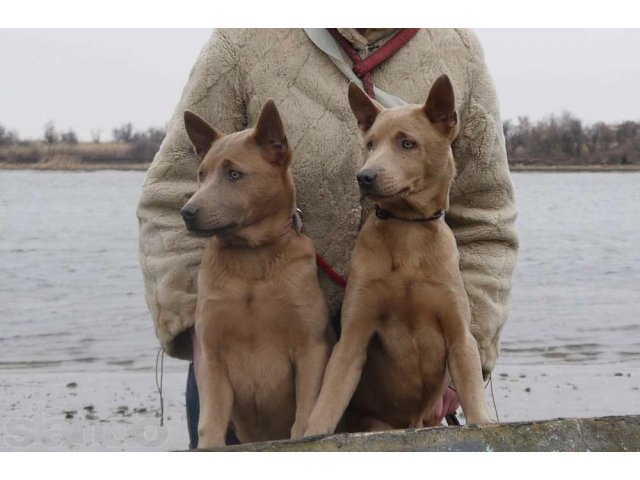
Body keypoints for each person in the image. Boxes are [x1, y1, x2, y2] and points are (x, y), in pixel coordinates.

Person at [137, 28, 519, 448]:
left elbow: (486, 217)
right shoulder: (243, 42)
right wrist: (201, 330)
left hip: (399, 375)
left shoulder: (457, 50)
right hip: (244, 360)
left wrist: (461, 360)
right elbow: (171, 199)